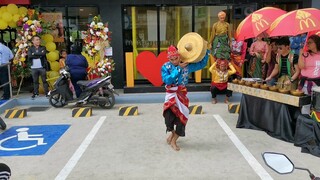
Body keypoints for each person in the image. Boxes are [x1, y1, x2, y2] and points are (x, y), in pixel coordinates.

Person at [161, 45, 209, 151]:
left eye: (176, 58)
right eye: (171, 59)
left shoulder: (187, 65)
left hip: (182, 95)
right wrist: (178, 68)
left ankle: (174, 140)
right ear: (168, 59)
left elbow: (202, 64)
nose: (174, 61)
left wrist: (206, 52)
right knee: (168, 119)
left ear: (179, 56)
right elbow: (167, 80)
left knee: (181, 119)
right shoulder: (166, 67)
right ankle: (172, 134)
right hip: (170, 95)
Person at [298, 35, 320, 114]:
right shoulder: (305, 54)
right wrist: (300, 54)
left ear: (316, 43)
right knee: (305, 105)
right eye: (307, 42)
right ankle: (305, 123)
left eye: (310, 42)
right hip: (306, 84)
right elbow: (301, 66)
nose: (307, 44)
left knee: (317, 106)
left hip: (318, 85)